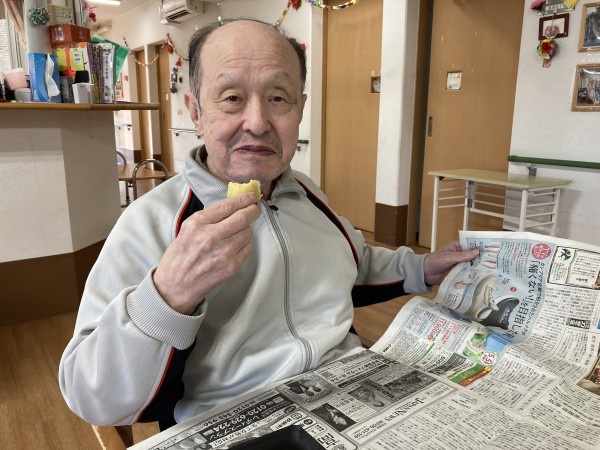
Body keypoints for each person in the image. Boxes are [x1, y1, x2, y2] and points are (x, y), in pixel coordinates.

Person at [59, 18, 478, 429]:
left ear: (300, 109)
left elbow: (352, 262)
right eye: (231, 98)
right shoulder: (150, 222)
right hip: (233, 420)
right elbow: (90, 395)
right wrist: (168, 294)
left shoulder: (307, 193)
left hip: (351, 394)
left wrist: (421, 267)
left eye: (278, 98)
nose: (258, 123)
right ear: (196, 111)